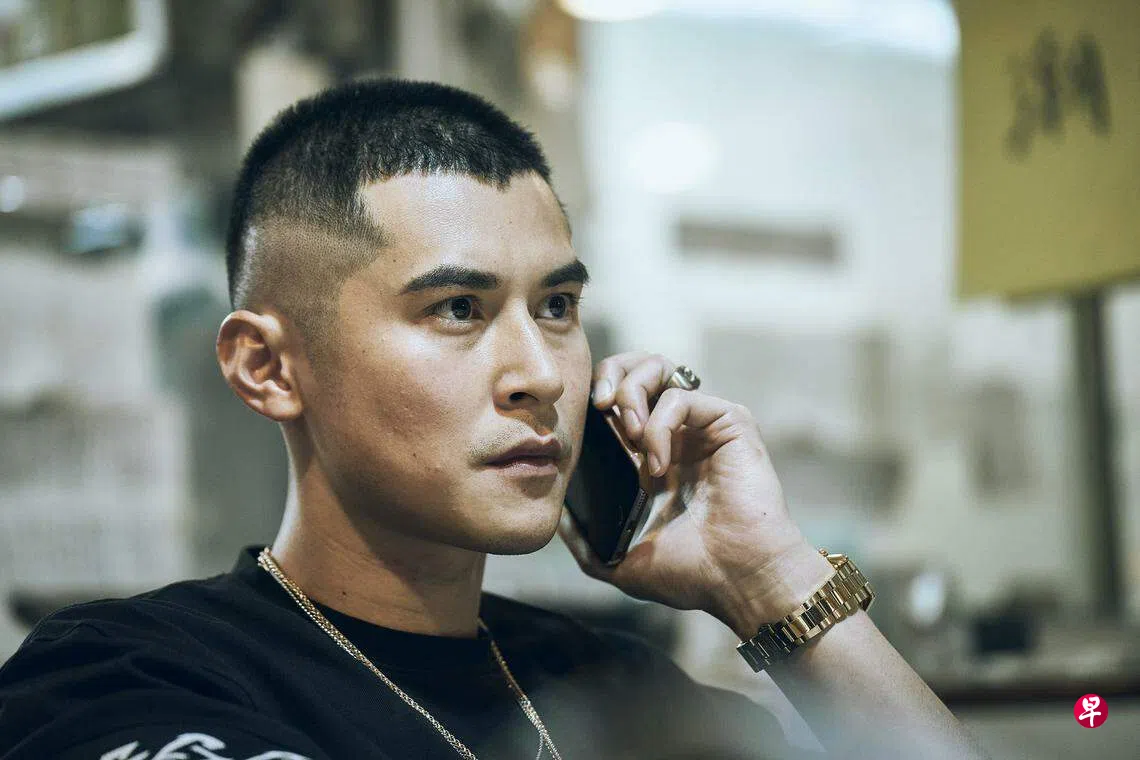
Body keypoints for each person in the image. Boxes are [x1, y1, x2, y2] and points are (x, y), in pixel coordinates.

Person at [0, 79, 990, 760]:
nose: (541, 373)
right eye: (457, 309)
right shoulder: (124, 676)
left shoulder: (615, 687)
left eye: (556, 306)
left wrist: (767, 578)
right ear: (268, 367)